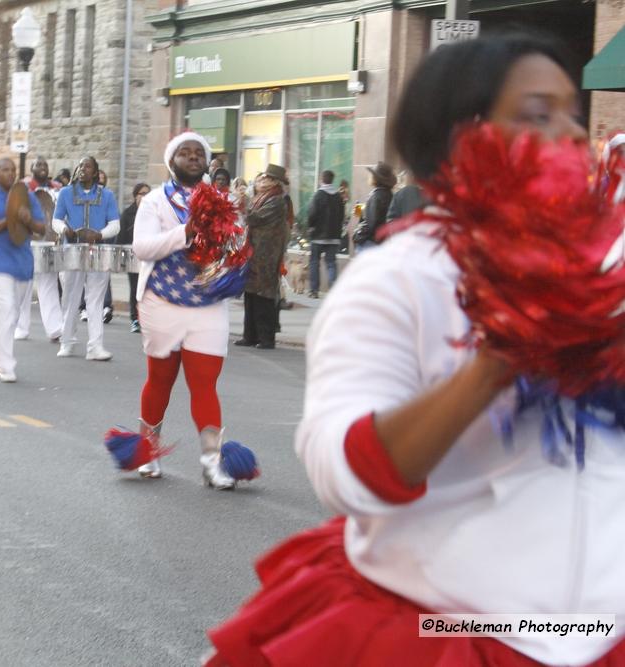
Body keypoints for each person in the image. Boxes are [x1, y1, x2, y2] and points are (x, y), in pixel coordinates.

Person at [206, 33, 625, 666]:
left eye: (572, 112)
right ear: (463, 136)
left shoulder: (601, 272)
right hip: (446, 633)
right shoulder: (399, 277)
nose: (571, 135)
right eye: (539, 114)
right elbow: (343, 475)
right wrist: (500, 359)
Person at [128, 132, 252, 487]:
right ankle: (147, 453)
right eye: (185, 152)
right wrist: (187, 232)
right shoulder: (154, 201)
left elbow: (237, 245)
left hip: (208, 304)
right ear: (172, 161)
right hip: (162, 302)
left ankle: (213, 461)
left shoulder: (224, 201)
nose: (194, 157)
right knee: (161, 380)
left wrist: (234, 249)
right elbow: (143, 248)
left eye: (200, 152)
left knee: (205, 385)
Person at [0, 157, 46, 383]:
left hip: (23, 262)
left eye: (13, 170)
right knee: (8, 309)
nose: (10, 173)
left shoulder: (27, 197)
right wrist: (8, 220)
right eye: (5, 170)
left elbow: (41, 229)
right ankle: (7, 365)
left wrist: (28, 220)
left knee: (9, 315)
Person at [52, 156, 119, 361]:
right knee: (70, 297)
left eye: (87, 166)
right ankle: (67, 341)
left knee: (96, 300)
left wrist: (99, 235)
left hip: (98, 252)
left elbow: (114, 224)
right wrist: (65, 230)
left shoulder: (107, 195)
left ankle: (95, 346)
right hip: (71, 251)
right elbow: (56, 220)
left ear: (96, 172)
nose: (82, 169)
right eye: (80, 165)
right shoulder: (65, 193)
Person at [235, 165, 289, 350]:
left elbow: (255, 218)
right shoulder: (261, 198)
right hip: (255, 251)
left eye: (265, 179)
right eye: (260, 179)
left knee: (264, 296)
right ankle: (250, 335)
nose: (261, 182)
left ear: (274, 182)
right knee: (251, 294)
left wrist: (243, 206)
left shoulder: (277, 200)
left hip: (267, 254)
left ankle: (266, 337)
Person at [18, 157, 63, 341]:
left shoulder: (58, 187)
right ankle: (21, 327)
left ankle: (55, 328)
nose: (42, 167)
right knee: (24, 285)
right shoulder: (24, 186)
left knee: (49, 283)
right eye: (38, 165)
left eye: (45, 164)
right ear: (32, 169)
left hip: (50, 240)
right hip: (29, 240)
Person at [305, 169, 345, 298]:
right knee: (331, 263)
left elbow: (312, 214)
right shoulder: (338, 196)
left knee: (314, 262)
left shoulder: (318, 195)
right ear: (332, 180)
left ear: (322, 179)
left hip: (318, 236)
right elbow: (342, 216)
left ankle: (314, 291)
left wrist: (310, 227)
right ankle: (333, 291)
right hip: (334, 237)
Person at [117, 182, 151, 333]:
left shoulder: (154, 212)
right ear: (135, 196)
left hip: (149, 256)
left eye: (147, 193)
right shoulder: (128, 213)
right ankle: (135, 318)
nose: (145, 197)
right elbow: (121, 236)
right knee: (135, 287)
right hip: (132, 256)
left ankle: (147, 318)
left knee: (148, 289)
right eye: (142, 193)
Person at [353, 161, 396, 249]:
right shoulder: (388, 194)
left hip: (368, 241)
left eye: (371, 174)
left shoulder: (376, 195)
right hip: (379, 241)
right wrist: (362, 210)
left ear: (376, 178)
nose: (369, 176)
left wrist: (359, 234)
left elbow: (372, 222)